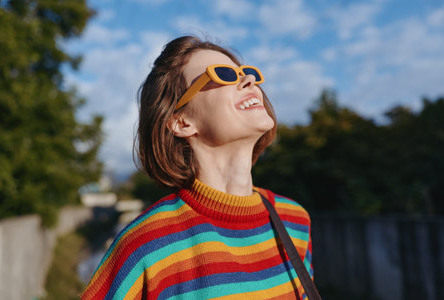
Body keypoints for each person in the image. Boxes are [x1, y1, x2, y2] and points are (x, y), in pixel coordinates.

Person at [81, 36, 313, 299]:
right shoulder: (146, 244)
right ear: (181, 122)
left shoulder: (294, 220)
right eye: (224, 75)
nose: (249, 81)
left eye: (246, 73)